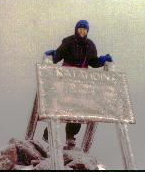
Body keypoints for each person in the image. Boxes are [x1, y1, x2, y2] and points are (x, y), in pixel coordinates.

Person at [43, 20, 113, 149]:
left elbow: (93, 62)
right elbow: (59, 55)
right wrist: (53, 55)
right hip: (66, 79)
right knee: (60, 106)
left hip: (81, 82)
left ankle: (71, 137)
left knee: (78, 108)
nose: (82, 31)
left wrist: (103, 60)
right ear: (76, 29)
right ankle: (48, 134)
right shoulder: (69, 41)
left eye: (84, 29)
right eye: (80, 28)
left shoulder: (90, 45)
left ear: (87, 31)